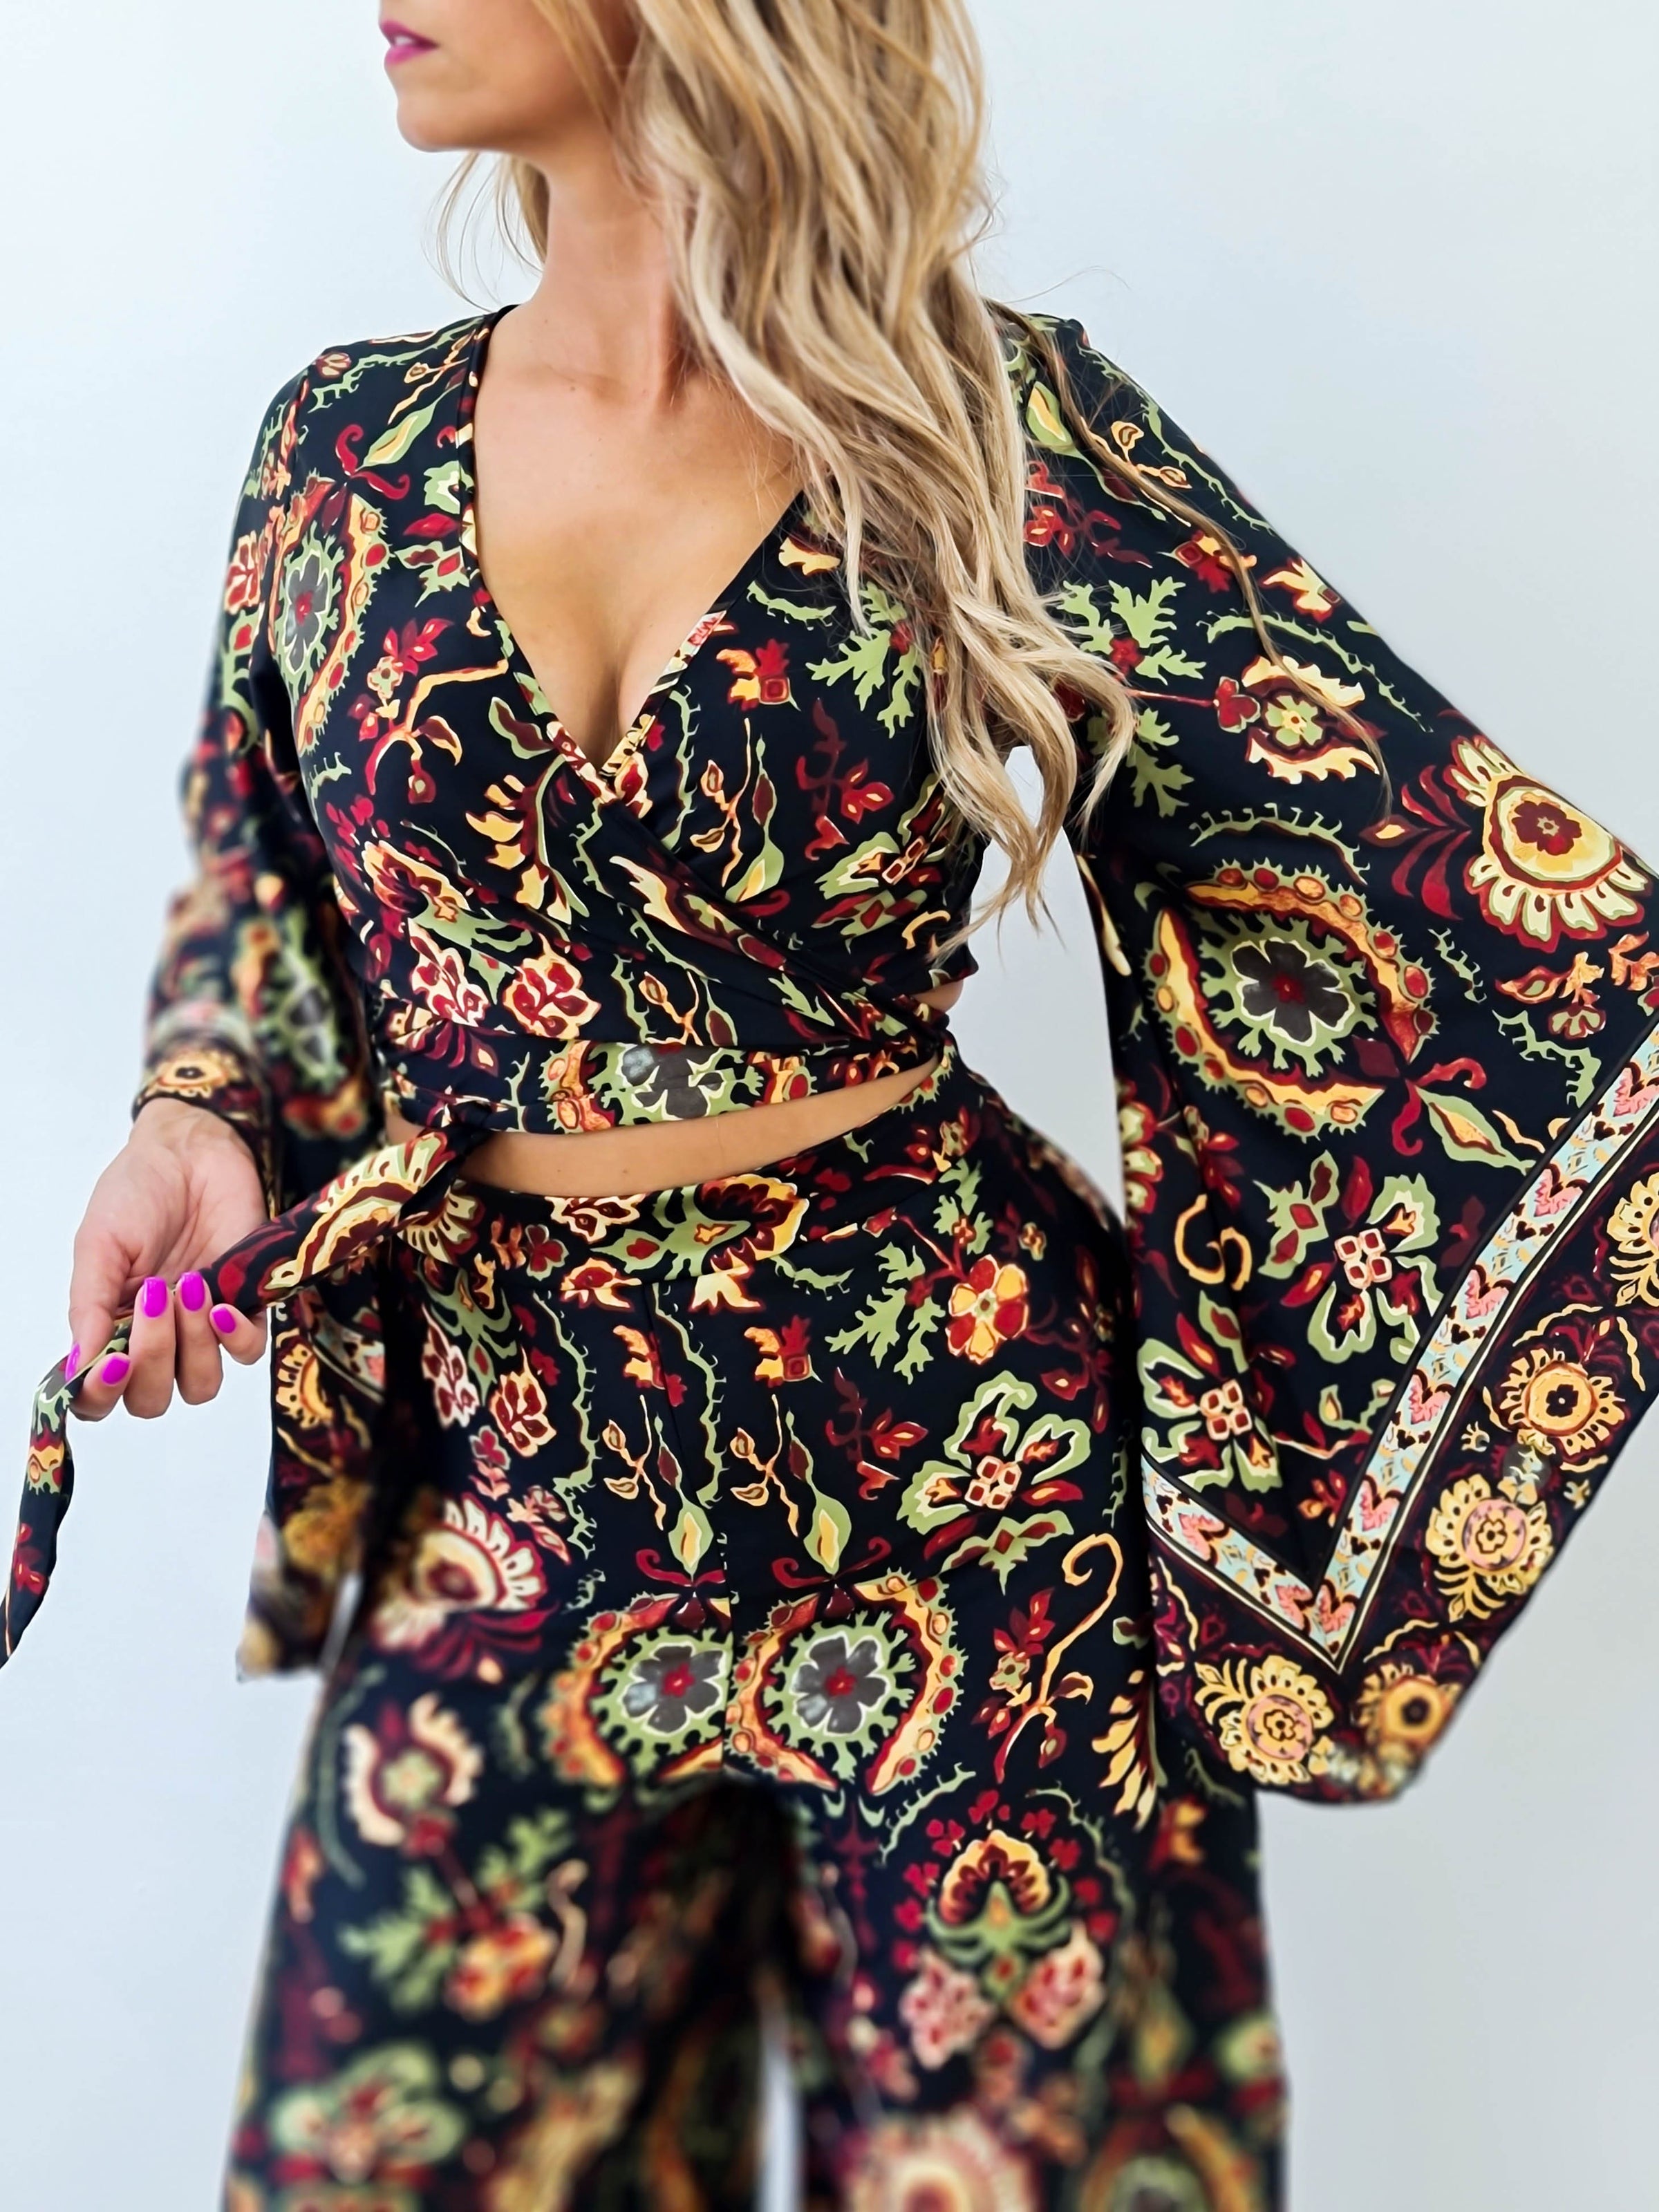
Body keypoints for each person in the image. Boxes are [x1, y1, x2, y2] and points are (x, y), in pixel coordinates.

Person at [10, 3, 1658, 2206]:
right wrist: (200, 1118)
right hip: (505, 1495)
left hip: (974, 1499)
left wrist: (1280, 1408)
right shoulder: (342, 450)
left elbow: (1441, 887)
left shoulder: (986, 429)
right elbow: (266, 885)